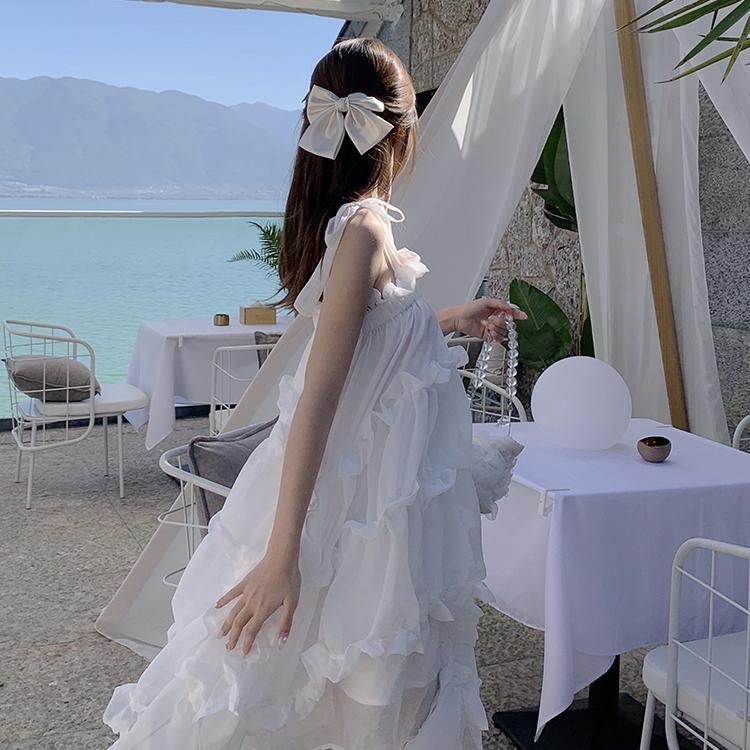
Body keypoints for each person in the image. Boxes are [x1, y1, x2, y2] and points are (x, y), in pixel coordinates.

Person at [104, 37, 525, 750]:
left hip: (382, 494)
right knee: (345, 677)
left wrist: (452, 318)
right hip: (357, 505)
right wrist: (282, 556)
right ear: (402, 131)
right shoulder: (363, 230)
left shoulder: (362, 228)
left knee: (358, 677)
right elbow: (320, 399)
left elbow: (372, 339)